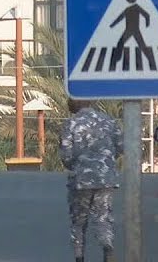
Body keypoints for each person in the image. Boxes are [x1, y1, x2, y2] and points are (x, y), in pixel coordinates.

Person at [60, 99, 123, 262]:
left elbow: (66, 156)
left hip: (81, 180)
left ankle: (79, 256)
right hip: (105, 178)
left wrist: (78, 163)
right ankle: (107, 246)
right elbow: (120, 146)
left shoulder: (71, 123)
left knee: (79, 221)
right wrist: (105, 161)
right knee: (103, 216)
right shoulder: (108, 120)